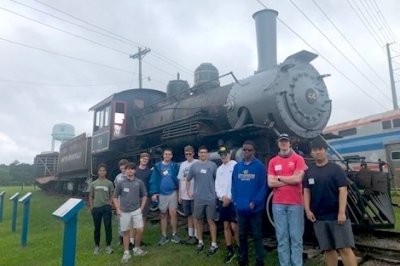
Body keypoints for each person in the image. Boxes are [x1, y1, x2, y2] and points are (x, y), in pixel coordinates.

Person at [304, 138, 357, 266]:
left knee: (345, 248)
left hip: (337, 216)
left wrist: (341, 212)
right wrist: (307, 210)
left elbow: (343, 190)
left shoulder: (336, 169)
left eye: (320, 149)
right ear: (311, 152)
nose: (318, 152)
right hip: (319, 217)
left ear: (325, 151)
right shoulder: (309, 171)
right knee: (328, 249)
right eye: (315, 150)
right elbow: (306, 191)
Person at [267, 133, 307, 266]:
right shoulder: (273, 161)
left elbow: (298, 179)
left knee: (296, 238)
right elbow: (270, 183)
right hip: (278, 204)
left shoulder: (298, 159)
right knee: (282, 238)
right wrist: (289, 180)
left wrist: (279, 178)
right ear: (278, 143)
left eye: (286, 141)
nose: (283, 143)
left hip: (296, 203)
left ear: (290, 143)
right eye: (281, 141)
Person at [232, 140, 267, 266]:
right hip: (241, 208)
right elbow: (234, 185)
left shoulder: (260, 167)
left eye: (249, 150)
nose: (246, 152)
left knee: (257, 235)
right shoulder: (237, 167)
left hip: (255, 209)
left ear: (254, 151)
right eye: (244, 149)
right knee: (242, 235)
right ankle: (243, 259)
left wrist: (254, 202)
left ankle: (259, 260)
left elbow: (263, 187)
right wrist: (235, 201)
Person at [187, 145, 219, 256]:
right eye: (201, 152)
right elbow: (187, 180)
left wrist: (216, 192)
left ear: (208, 154)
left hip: (210, 197)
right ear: (198, 154)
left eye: (205, 152)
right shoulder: (194, 166)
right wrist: (189, 192)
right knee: (197, 220)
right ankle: (200, 241)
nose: (203, 154)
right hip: (198, 198)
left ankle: (214, 243)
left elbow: (217, 179)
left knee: (211, 220)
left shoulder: (213, 165)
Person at [113, 162, 148, 263]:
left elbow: (145, 195)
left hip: (136, 210)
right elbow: (115, 197)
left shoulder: (139, 182)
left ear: (135, 171)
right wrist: (118, 209)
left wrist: (141, 208)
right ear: (125, 170)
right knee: (125, 231)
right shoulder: (121, 183)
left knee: (140, 229)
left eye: (132, 169)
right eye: (128, 169)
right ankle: (126, 252)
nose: (130, 171)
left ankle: (136, 248)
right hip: (124, 211)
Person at [149, 148, 181, 245]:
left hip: (173, 192)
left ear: (171, 156)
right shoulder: (158, 166)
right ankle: (164, 235)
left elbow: (179, 179)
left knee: (173, 213)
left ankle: (174, 233)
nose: (167, 156)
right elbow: (154, 180)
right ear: (163, 155)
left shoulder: (175, 166)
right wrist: (154, 192)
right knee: (163, 214)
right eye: (166, 154)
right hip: (162, 193)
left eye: (169, 154)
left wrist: (180, 191)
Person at [215, 145, 239, 264]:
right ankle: (230, 249)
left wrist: (229, 197)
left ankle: (240, 248)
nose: (223, 157)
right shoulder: (219, 169)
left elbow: (236, 183)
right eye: (221, 155)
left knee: (235, 226)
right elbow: (217, 185)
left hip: (233, 200)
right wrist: (222, 196)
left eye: (225, 154)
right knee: (226, 226)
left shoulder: (235, 165)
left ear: (229, 154)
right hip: (223, 200)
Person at [88, 163, 114, 255]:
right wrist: (91, 207)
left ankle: (108, 246)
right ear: (98, 172)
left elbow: (112, 194)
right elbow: (90, 196)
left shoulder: (109, 183)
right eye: (100, 170)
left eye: (104, 170)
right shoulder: (93, 183)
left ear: (106, 172)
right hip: (96, 208)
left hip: (106, 207)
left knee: (108, 226)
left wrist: (110, 203)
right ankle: (97, 246)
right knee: (97, 227)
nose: (102, 172)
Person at [177, 145, 198, 245]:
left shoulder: (197, 163)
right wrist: (180, 194)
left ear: (193, 153)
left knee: (196, 216)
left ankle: (197, 236)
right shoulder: (182, 164)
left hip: (194, 194)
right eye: (186, 154)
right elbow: (181, 180)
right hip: (185, 194)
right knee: (188, 215)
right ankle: (190, 235)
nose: (188, 155)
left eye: (190, 153)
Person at [135, 152, 152, 246]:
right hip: (135, 197)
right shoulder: (135, 170)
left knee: (143, 219)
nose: (145, 160)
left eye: (146, 159)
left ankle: (139, 240)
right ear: (140, 159)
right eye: (143, 158)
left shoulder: (149, 171)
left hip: (145, 197)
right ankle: (131, 241)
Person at [114, 159, 129, 246]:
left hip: (130, 200)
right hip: (120, 201)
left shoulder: (130, 176)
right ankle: (121, 238)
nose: (123, 170)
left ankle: (130, 238)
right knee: (121, 220)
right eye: (122, 168)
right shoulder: (118, 177)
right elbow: (116, 188)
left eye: (125, 168)